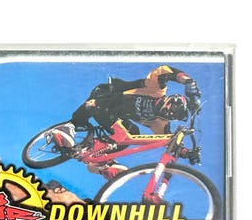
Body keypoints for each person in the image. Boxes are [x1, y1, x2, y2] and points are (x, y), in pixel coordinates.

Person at [52, 65, 202, 180]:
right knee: (97, 103)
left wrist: (187, 153)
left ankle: (102, 162)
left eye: (172, 115)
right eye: (172, 108)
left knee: (132, 134)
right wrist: (188, 81)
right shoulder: (155, 88)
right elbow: (167, 71)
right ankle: (69, 127)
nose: (169, 113)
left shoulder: (159, 122)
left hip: (113, 118)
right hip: (106, 95)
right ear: (171, 99)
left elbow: (170, 142)